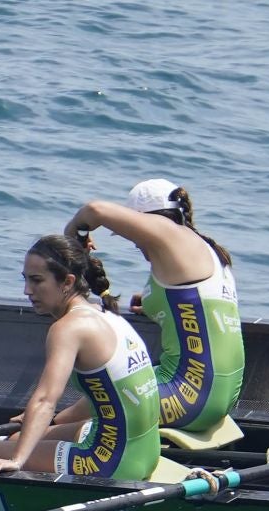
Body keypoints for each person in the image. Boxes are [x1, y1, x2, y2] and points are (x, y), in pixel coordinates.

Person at [0, 235, 161, 481]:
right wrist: (49, 422)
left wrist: (16, 460)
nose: (27, 291)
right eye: (25, 280)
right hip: (147, 450)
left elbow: (45, 400)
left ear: (67, 281)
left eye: (37, 281)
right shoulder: (108, 314)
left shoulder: (68, 328)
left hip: (109, 461)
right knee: (17, 437)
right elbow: (112, 394)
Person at [65, 178, 243, 433]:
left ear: (146, 219)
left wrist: (72, 234)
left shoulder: (167, 231)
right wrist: (153, 303)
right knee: (83, 407)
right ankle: (51, 421)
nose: (134, 243)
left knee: (55, 426)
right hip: (219, 397)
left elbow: (94, 210)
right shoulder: (205, 248)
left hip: (188, 397)